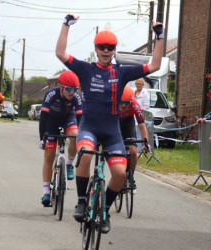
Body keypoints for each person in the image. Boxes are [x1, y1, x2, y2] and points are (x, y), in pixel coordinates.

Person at [55, 14, 164, 234]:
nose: (106, 51)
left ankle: (104, 210)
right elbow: (60, 53)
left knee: (120, 174)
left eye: (110, 47)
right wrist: (66, 25)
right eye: (102, 47)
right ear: (96, 48)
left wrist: (160, 37)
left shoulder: (121, 71)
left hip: (112, 131)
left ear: (114, 50)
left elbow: (154, 65)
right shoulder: (86, 69)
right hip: (89, 127)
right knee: (84, 153)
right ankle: (82, 201)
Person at [38, 71, 83, 206]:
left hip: (68, 118)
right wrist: (42, 138)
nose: (72, 92)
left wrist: (82, 139)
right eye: (68, 89)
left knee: (75, 135)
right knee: (49, 156)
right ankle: (46, 192)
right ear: (61, 87)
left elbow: (80, 119)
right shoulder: (51, 94)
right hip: (51, 121)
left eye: (74, 89)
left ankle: (69, 164)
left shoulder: (77, 97)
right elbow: (43, 118)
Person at [119, 86, 150, 192]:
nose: (123, 105)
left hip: (128, 124)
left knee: (133, 151)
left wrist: (146, 143)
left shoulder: (135, 104)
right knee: (117, 151)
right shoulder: (112, 102)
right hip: (115, 123)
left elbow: (141, 125)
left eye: (126, 103)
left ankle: (130, 176)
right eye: (121, 102)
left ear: (131, 100)